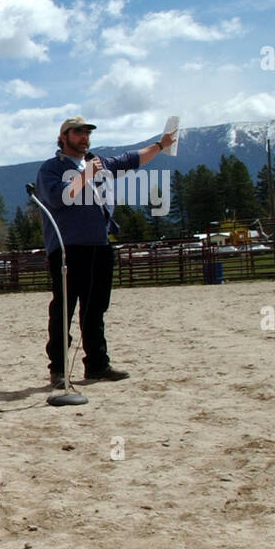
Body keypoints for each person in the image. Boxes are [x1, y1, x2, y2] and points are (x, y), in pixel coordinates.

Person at [36, 117, 176, 387]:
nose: (84, 137)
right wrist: (86, 174)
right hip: (67, 249)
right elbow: (59, 198)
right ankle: (59, 370)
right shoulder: (51, 169)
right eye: (78, 132)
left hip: (100, 246)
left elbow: (133, 159)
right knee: (63, 310)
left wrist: (161, 144)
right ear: (63, 137)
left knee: (95, 309)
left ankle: (97, 365)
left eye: (87, 132)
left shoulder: (100, 163)